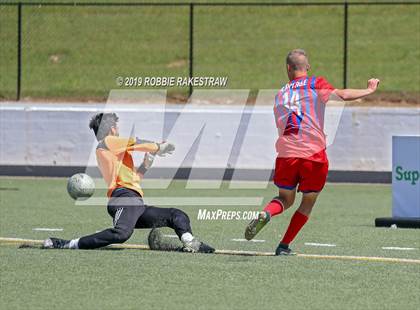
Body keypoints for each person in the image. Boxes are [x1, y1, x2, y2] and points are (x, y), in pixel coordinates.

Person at [245, 49, 380, 255]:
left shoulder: (280, 93)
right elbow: (343, 95)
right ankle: (283, 246)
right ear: (307, 67)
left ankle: (266, 213)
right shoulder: (315, 83)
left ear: (288, 68)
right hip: (313, 156)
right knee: (307, 202)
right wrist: (369, 90)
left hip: (286, 155)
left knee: (285, 199)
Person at [43, 112, 214, 253]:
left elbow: (133, 180)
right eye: (116, 127)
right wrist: (158, 146)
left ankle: (190, 243)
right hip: (124, 199)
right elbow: (135, 142)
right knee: (121, 234)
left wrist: (145, 167)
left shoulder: (112, 151)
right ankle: (67, 244)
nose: (118, 130)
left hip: (134, 202)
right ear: (111, 128)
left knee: (176, 215)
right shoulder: (108, 142)